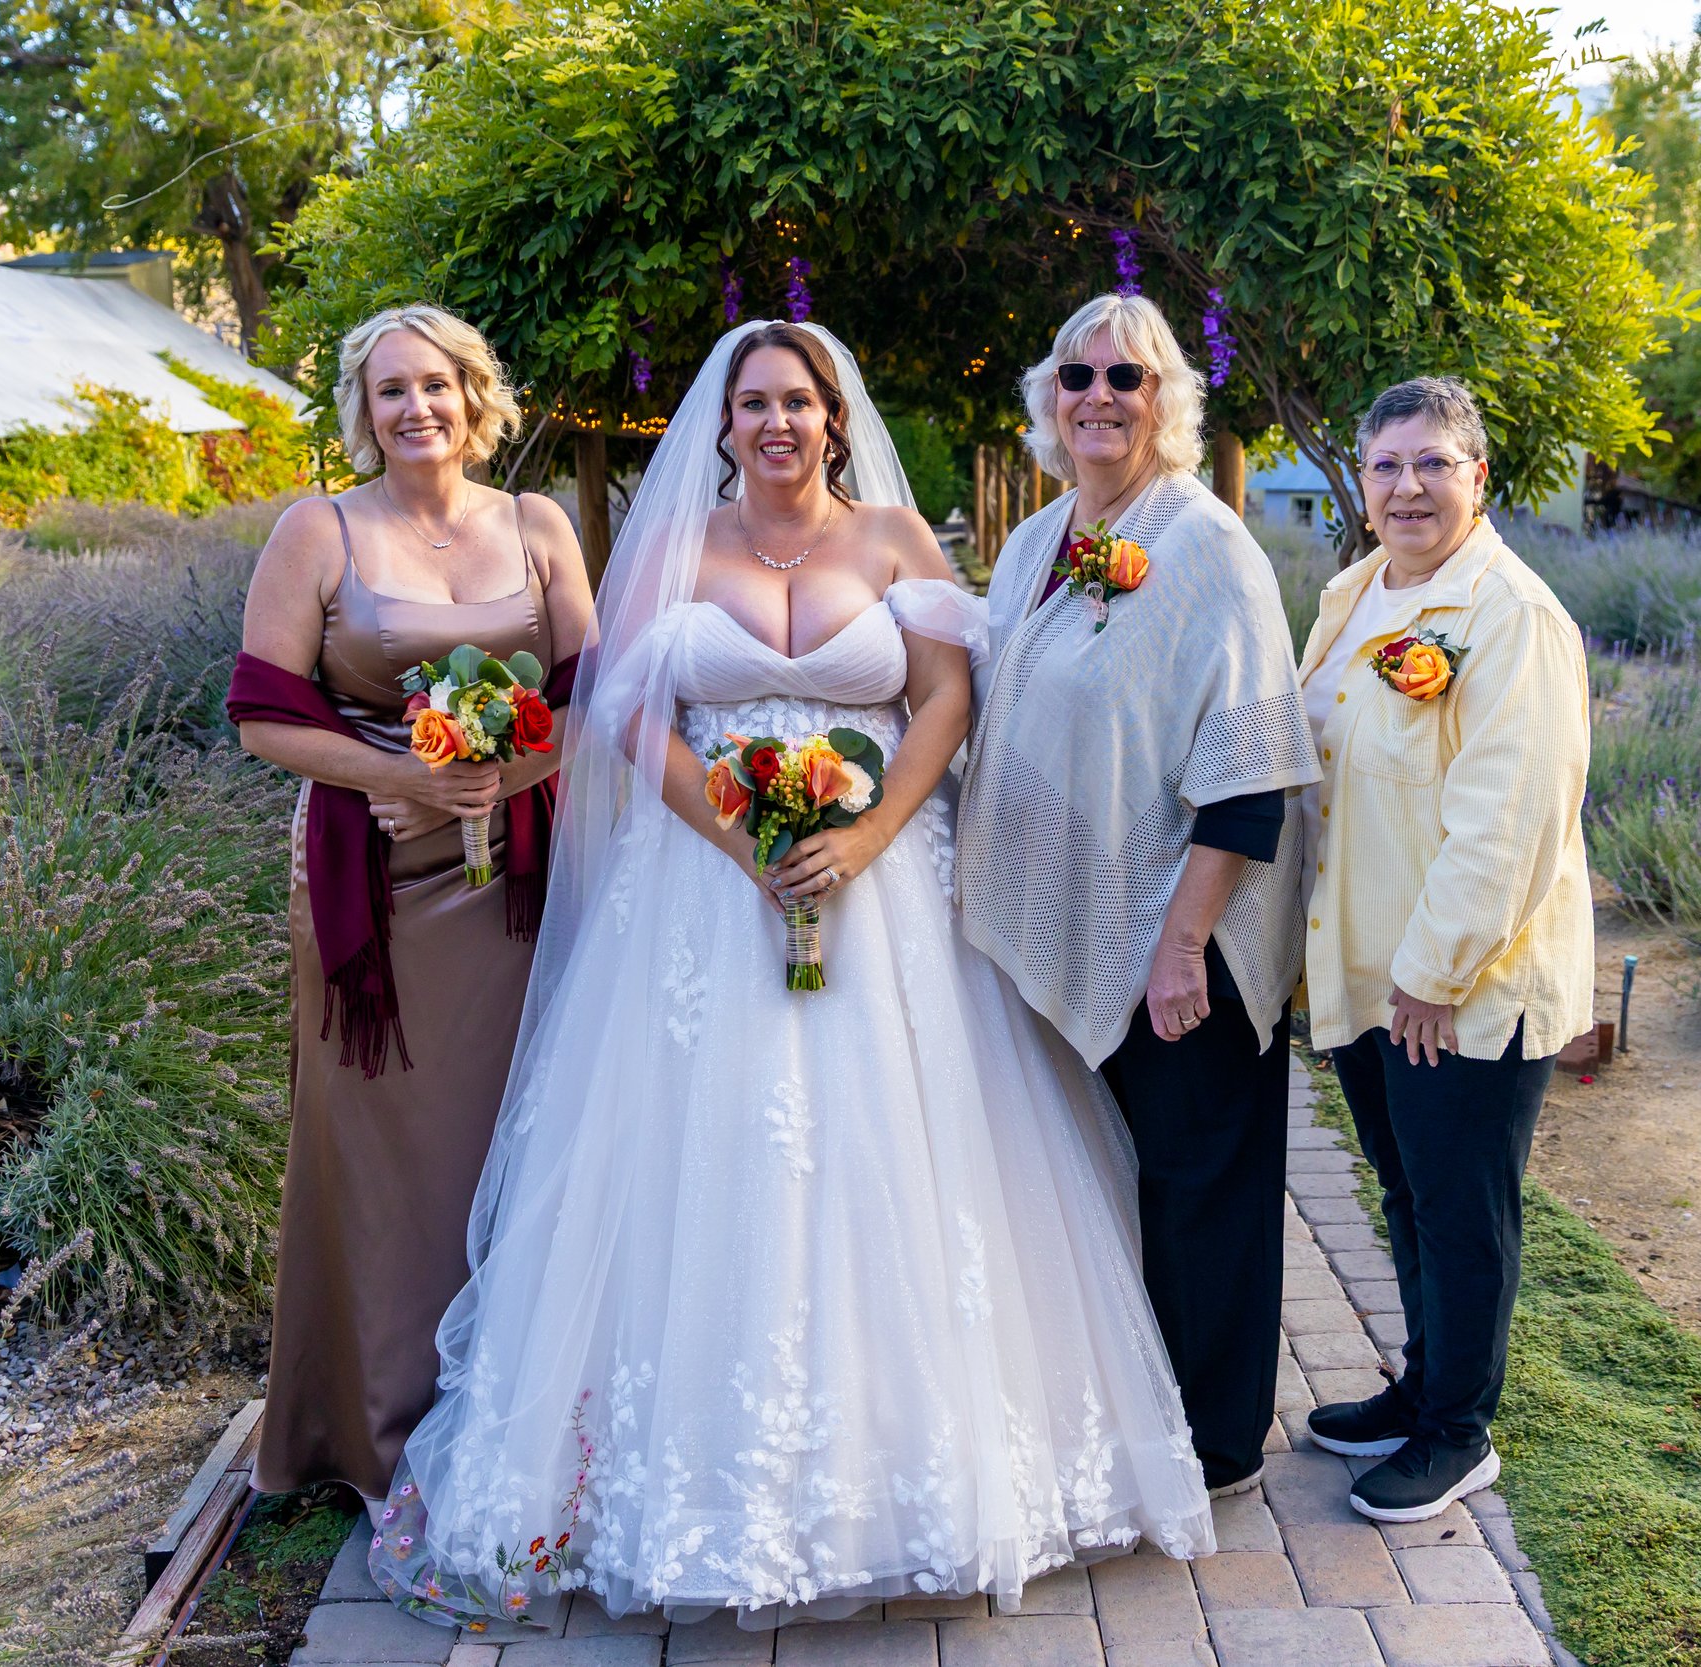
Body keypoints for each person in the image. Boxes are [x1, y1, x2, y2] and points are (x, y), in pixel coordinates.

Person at [367, 320, 1213, 1631]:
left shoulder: (892, 541)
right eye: (754, 403)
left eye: (800, 403)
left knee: (890, 1160)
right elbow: (631, 715)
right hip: (703, 896)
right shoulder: (673, 552)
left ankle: (906, 1476)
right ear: (724, 425)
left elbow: (944, 698)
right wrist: (742, 835)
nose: (777, 423)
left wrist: (865, 836)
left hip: (881, 901)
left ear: (834, 418)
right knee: (695, 1167)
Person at [954, 293, 1320, 1499]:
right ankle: (1126, 1406)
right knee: (1110, 1174)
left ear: (1167, 400)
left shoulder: (1209, 547)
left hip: (1187, 928)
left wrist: (1179, 946)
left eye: (1128, 376)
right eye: (1077, 376)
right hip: (1083, 907)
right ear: (1045, 402)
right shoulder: (1035, 539)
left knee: (1197, 1183)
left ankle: (1213, 1441)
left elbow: (1250, 773)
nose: (1099, 397)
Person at [226, 305, 595, 1500]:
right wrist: (402, 779)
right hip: (369, 881)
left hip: (517, 878)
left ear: (474, 395)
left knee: (524, 1133)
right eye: (390, 390)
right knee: (383, 1152)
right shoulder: (317, 531)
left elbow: (595, 695)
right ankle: (382, 1434)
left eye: (435, 384)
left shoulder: (540, 524)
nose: (416, 407)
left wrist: (490, 786)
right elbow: (261, 711)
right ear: (364, 410)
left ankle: (522, 1419)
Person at [1294, 376, 1593, 1522]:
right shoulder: (1358, 592)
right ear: (1361, 484)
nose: (1408, 485)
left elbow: (1508, 818)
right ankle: (1423, 1387)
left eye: (1433, 463)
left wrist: (1433, 972)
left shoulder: (1511, 618)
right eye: (1386, 465)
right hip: (1370, 968)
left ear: (1478, 475)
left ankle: (1460, 1432)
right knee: (1408, 1193)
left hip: (1456, 985)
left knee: (1463, 1210)